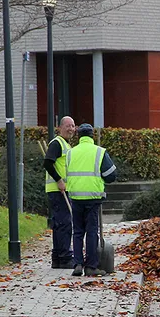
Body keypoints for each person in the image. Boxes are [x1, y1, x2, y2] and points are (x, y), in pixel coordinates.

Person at [65, 123, 117, 277]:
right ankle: (91, 266)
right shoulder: (99, 152)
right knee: (92, 231)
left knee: (78, 232)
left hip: (75, 196)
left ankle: (78, 264)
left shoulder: (70, 153)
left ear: (79, 136)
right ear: (92, 136)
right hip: (93, 197)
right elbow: (111, 175)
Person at [43, 116, 77, 269]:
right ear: (60, 127)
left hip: (61, 190)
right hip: (58, 190)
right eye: (68, 126)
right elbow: (47, 163)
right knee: (64, 224)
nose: (71, 129)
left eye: (73, 126)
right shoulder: (57, 143)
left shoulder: (66, 145)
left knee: (59, 225)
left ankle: (57, 258)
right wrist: (58, 180)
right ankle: (65, 258)